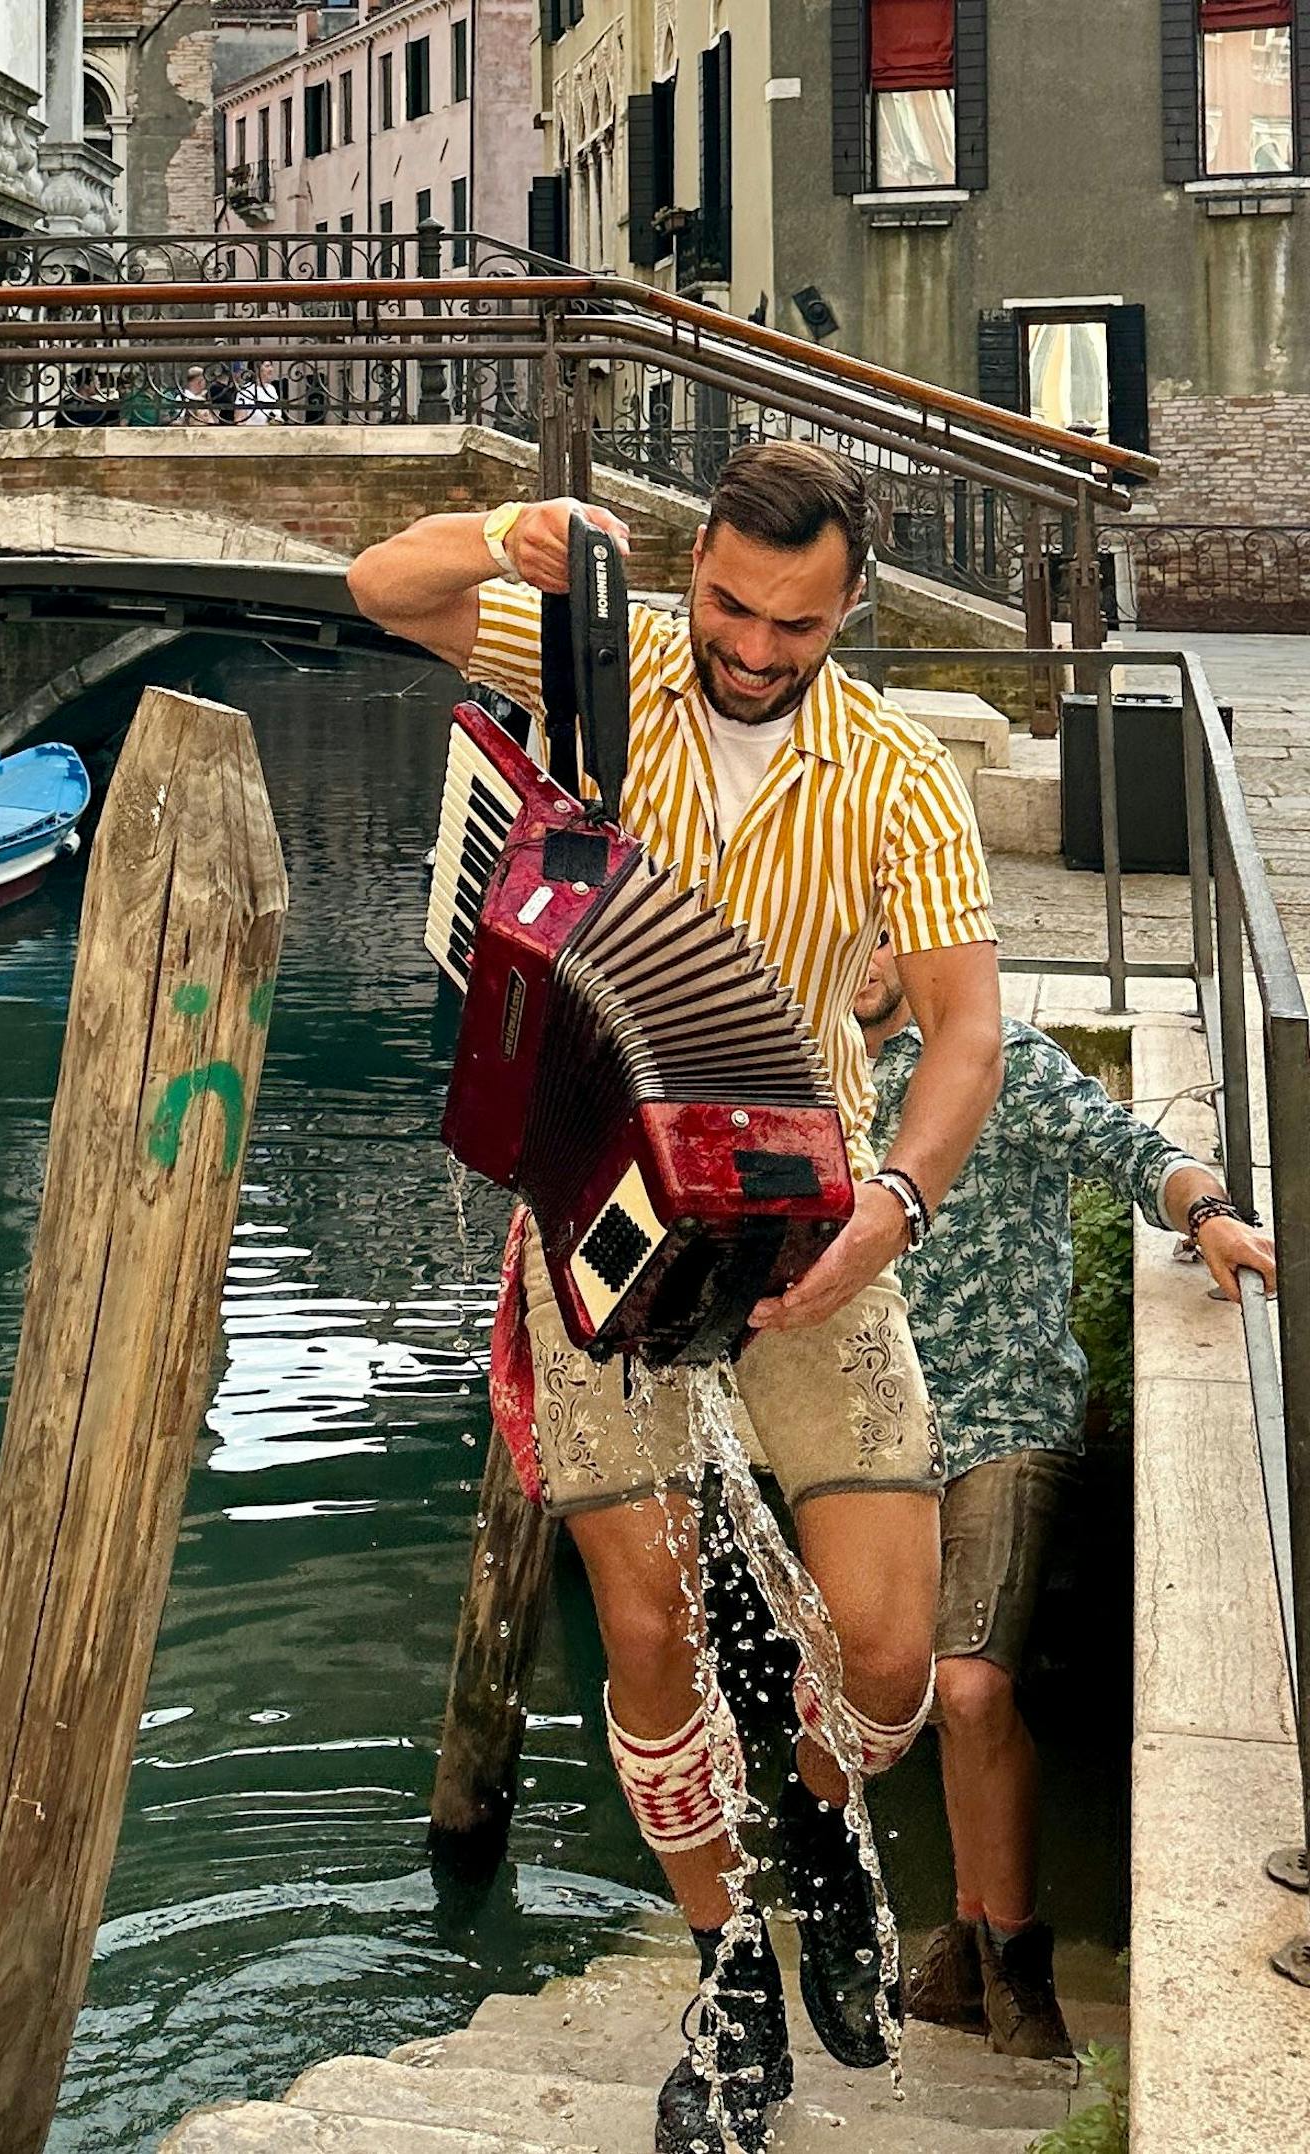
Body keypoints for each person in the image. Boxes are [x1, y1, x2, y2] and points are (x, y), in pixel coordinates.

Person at [349, 442, 1005, 2154]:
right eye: (728, 600)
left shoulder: (893, 771)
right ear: (690, 566)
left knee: (883, 1650)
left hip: (808, 1216)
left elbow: (970, 1027)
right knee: (642, 1622)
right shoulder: (603, 661)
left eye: (797, 619)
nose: (757, 644)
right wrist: (509, 531)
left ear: (848, 603)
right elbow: (376, 591)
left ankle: (819, 1814)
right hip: (591, 1221)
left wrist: (898, 1203)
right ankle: (726, 1973)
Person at [858, 934, 1276, 2058]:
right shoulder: (816, 1080)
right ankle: (957, 1949)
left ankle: (1018, 1965)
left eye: (874, 929)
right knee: (896, 1696)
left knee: (971, 1685)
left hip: (1004, 1418)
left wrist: (1212, 1217)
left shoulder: (997, 1059)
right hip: (877, 1428)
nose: (850, 955)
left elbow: (1137, 1153)